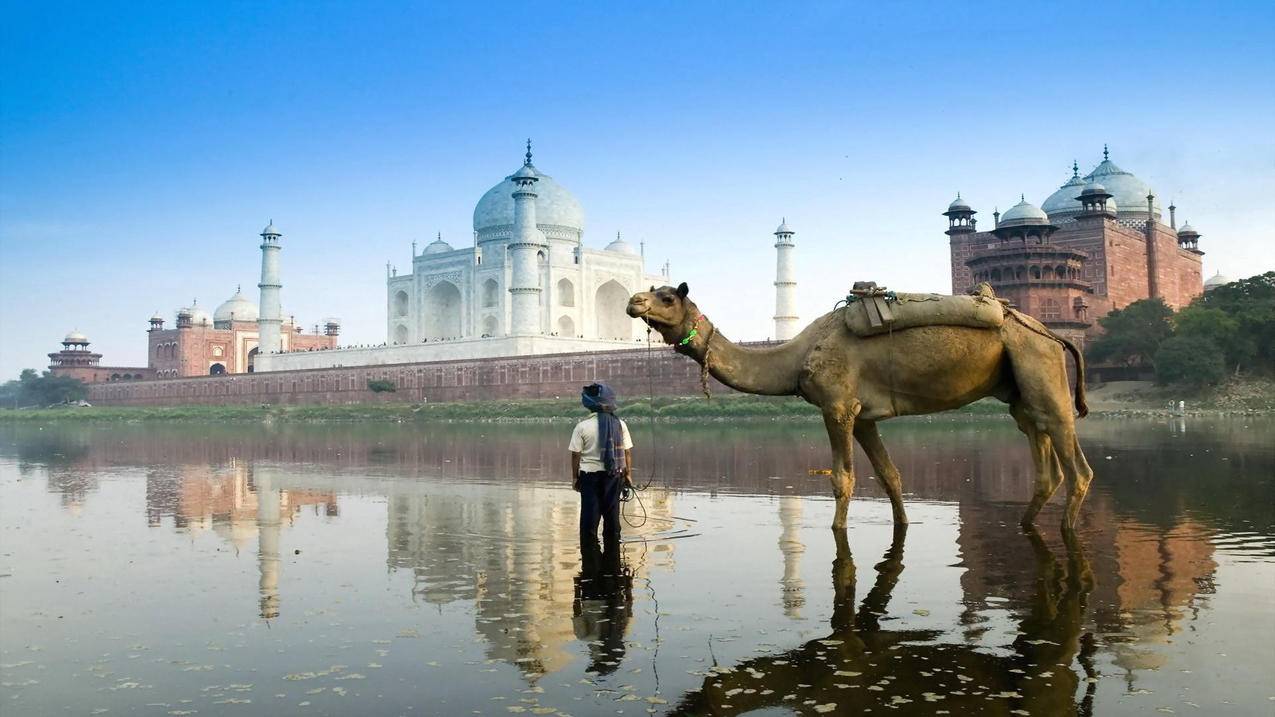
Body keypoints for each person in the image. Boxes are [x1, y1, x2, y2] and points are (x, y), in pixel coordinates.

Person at [569, 382, 634, 546]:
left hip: (589, 477)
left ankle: (590, 561)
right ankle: (613, 562)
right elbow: (627, 452)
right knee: (612, 518)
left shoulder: (582, 427)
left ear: (589, 405)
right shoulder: (620, 424)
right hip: (614, 475)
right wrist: (628, 475)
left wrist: (575, 478)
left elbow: (576, 455)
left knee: (589, 519)